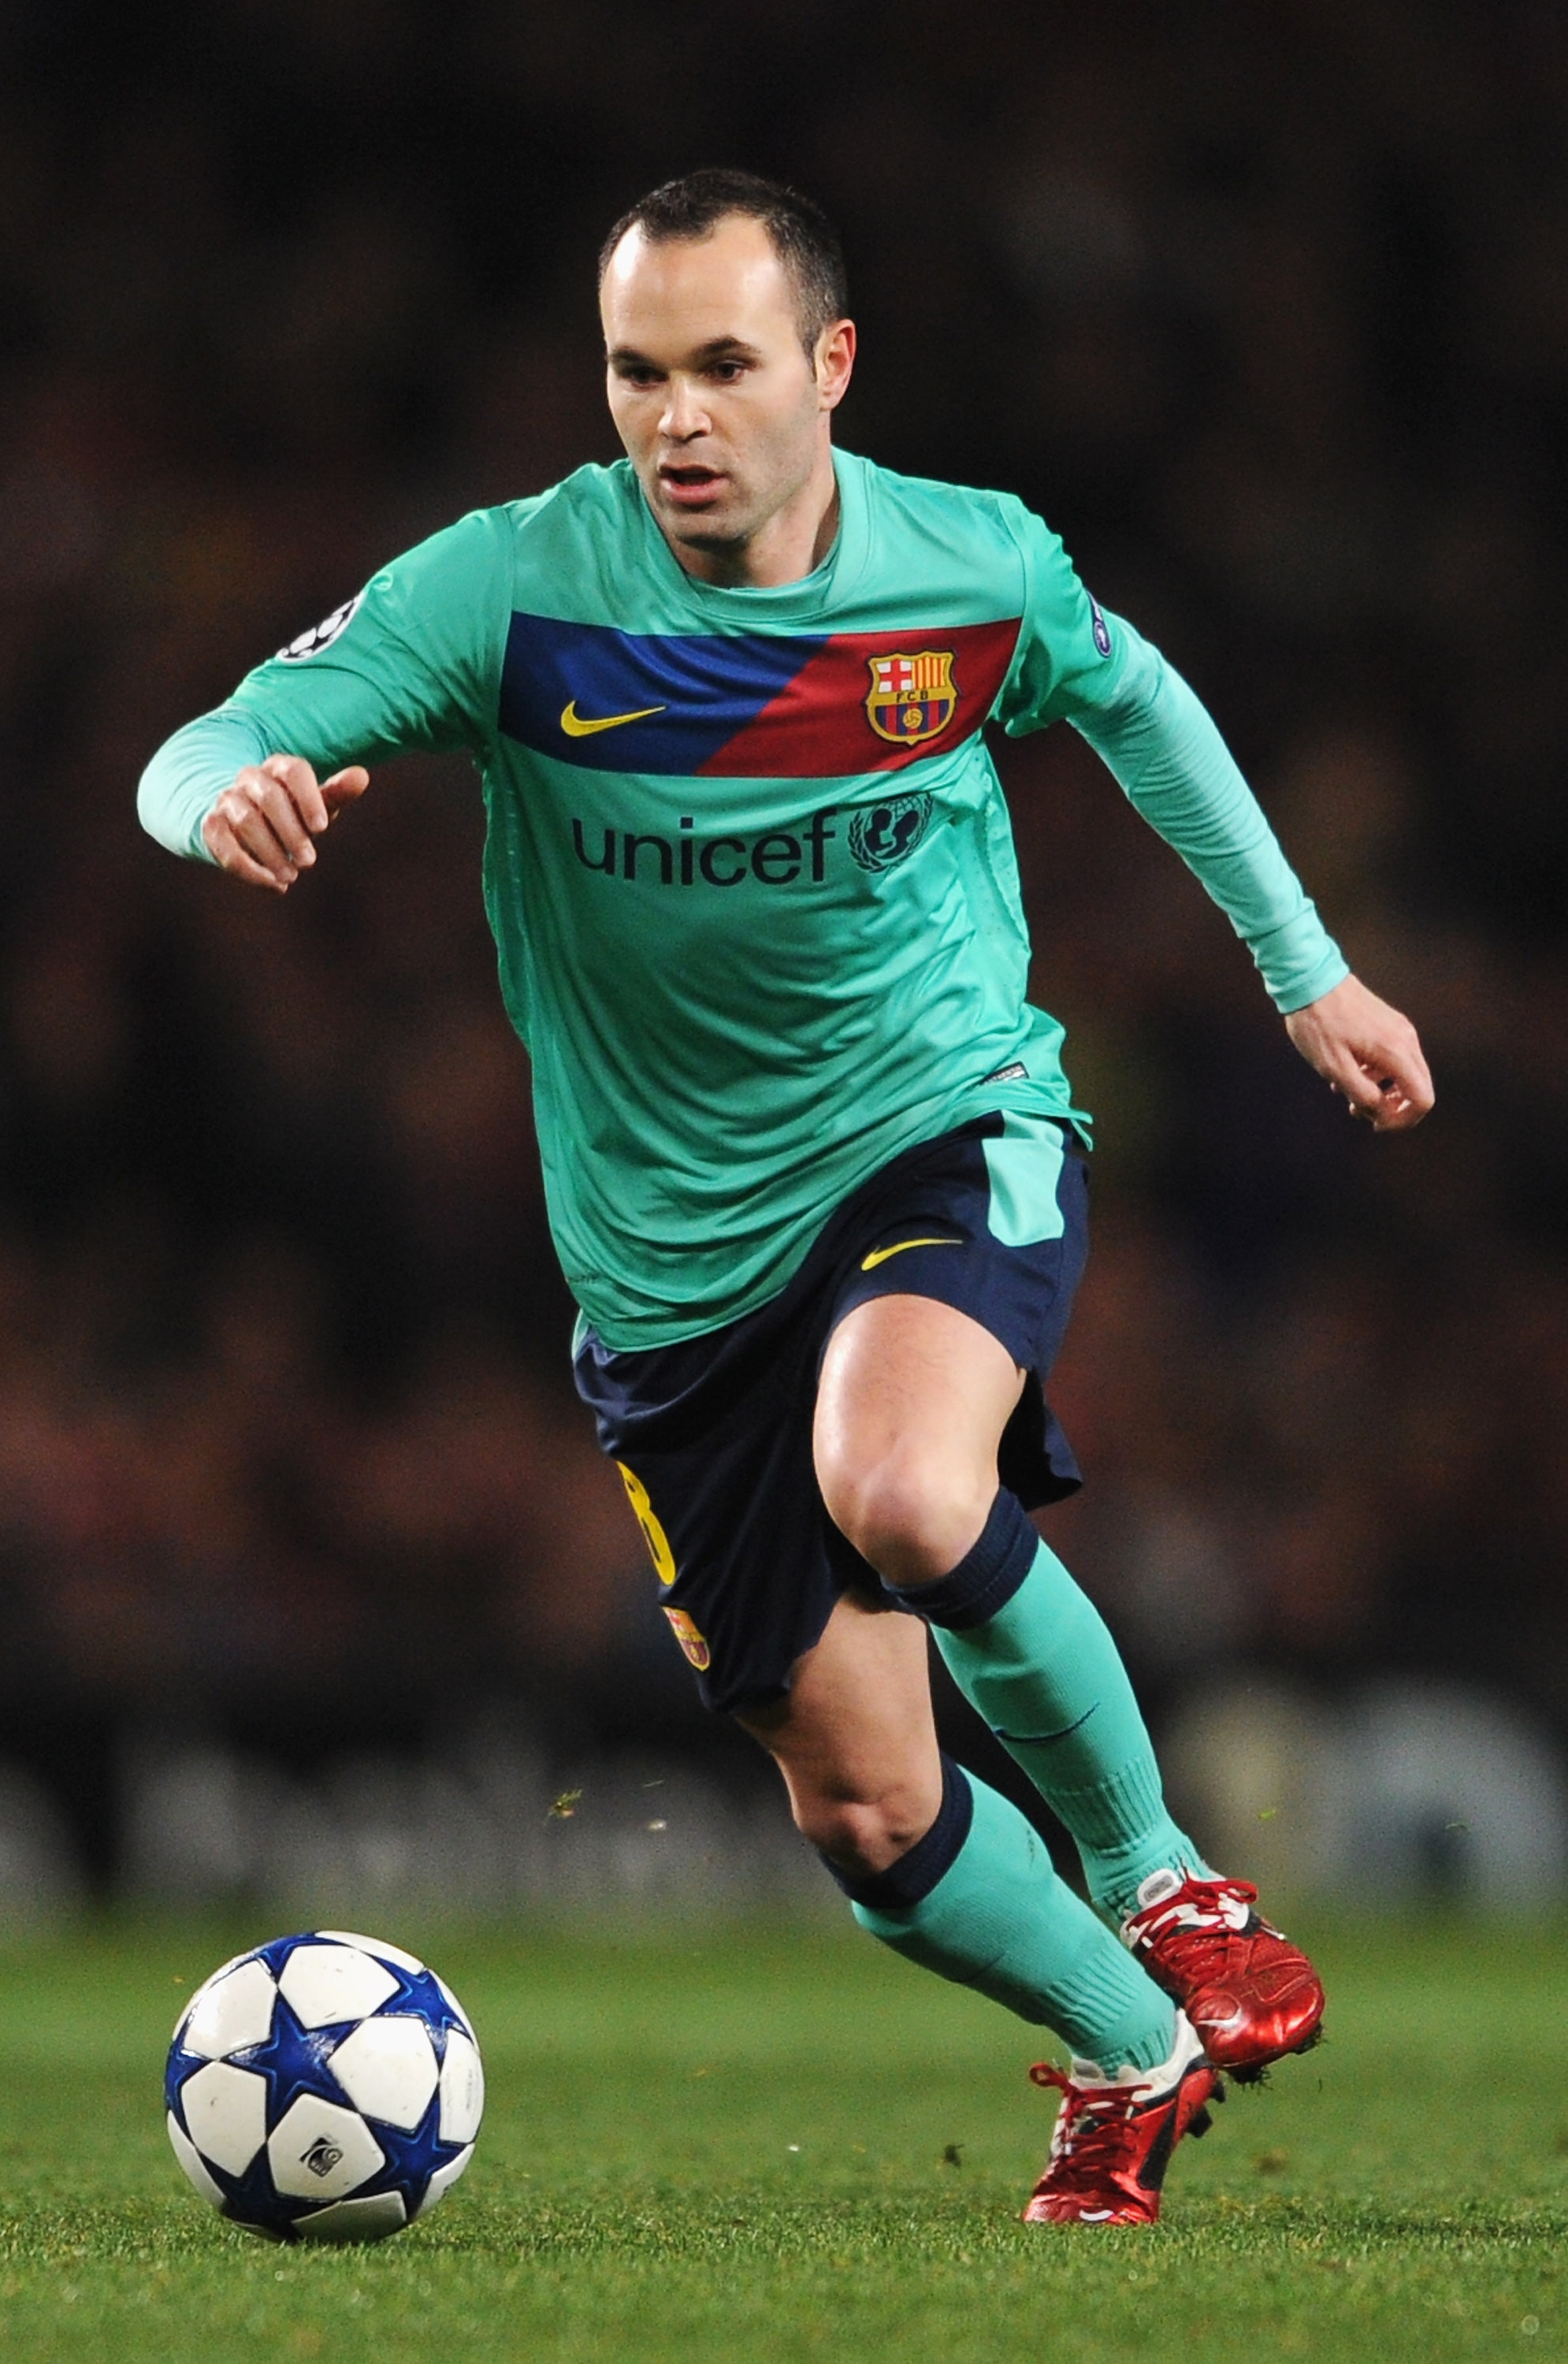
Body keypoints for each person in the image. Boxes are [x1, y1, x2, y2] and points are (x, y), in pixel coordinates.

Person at [138, 169, 1432, 2225]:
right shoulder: (514, 592)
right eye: (638, 370)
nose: (679, 416)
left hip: (943, 1131)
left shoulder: (966, 570)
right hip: (668, 1279)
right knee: (868, 1813)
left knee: (909, 1489)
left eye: (725, 365)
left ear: (826, 368)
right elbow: (214, 726)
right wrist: (225, 796)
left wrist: (1309, 970)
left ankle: (1163, 1875)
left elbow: (1134, 699)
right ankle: (1129, 2045)